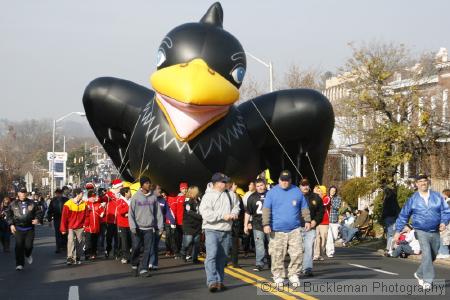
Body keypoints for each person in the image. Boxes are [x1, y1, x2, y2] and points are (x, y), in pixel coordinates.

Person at [393, 174, 450, 289]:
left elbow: (446, 210)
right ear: (417, 184)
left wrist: (444, 222)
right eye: (420, 181)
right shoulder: (413, 199)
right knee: (427, 254)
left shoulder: (437, 196)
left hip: (435, 231)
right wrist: (398, 231)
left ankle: (419, 273)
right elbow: (404, 215)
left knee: (433, 255)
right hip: (421, 231)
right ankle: (428, 280)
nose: (423, 183)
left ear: (428, 182)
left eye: (425, 181)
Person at [262, 170, 311, 287]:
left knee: (297, 253)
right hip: (277, 229)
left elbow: (304, 207)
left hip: (294, 229)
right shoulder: (272, 193)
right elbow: (266, 210)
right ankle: (278, 276)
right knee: (277, 254)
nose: (284, 182)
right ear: (279, 180)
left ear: (290, 180)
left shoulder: (297, 192)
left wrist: (307, 220)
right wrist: (266, 224)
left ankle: (294, 274)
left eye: (287, 180)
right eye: (282, 180)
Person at [199, 172, 240, 292]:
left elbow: (237, 206)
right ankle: (212, 281)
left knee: (222, 258)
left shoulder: (231, 194)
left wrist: (234, 213)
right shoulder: (208, 196)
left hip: (226, 230)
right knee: (211, 255)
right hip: (211, 229)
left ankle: (220, 281)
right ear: (216, 183)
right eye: (223, 182)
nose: (226, 183)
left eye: (226, 181)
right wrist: (223, 216)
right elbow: (205, 214)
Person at [128, 176, 164, 277]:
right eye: (147, 183)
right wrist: (133, 226)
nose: (149, 185)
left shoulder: (153, 197)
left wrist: (160, 226)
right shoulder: (136, 197)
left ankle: (143, 268)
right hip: (138, 228)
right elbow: (131, 213)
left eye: (149, 183)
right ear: (142, 185)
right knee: (136, 247)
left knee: (147, 249)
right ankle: (135, 265)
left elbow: (158, 213)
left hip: (149, 228)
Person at [6, 187, 43, 270]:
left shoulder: (32, 203)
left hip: (29, 228)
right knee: (19, 246)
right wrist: (11, 224)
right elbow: (9, 215)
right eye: (21, 192)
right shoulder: (13, 204)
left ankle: (28, 254)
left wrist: (37, 219)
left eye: (24, 192)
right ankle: (19, 264)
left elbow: (39, 212)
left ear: (26, 193)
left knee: (28, 246)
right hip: (18, 228)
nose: (23, 194)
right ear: (18, 193)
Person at [299, 179, 324, 277]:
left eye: (306, 185)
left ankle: (307, 268)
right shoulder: (296, 196)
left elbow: (321, 212)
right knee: (299, 249)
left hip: (310, 227)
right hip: (297, 227)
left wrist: (315, 221)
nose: (305, 187)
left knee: (309, 248)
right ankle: (298, 267)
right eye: (303, 185)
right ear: (300, 186)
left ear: (309, 186)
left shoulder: (316, 197)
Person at [244, 178, 269, 271]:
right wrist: (245, 225)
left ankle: (272, 262)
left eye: (261, 185)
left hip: (270, 224)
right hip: (257, 224)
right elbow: (247, 212)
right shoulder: (252, 197)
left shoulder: (270, 195)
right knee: (259, 245)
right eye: (258, 186)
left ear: (265, 185)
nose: (260, 188)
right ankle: (259, 263)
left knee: (272, 245)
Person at [60, 188, 87, 265]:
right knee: (71, 240)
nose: (82, 194)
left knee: (79, 242)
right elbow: (64, 218)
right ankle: (69, 257)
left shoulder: (84, 204)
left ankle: (77, 257)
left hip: (80, 227)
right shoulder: (68, 204)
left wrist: (85, 224)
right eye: (81, 193)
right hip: (71, 226)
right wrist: (63, 228)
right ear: (77, 194)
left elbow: (87, 215)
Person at [181, 186, 203, 264]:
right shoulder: (188, 201)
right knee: (188, 241)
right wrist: (201, 216)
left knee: (196, 243)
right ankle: (183, 253)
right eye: (197, 191)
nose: (198, 193)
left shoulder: (198, 200)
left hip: (197, 225)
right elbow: (189, 212)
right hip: (189, 225)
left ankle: (195, 258)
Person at [84, 190, 106, 260]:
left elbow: (102, 213)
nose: (94, 198)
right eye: (92, 197)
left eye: (94, 197)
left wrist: (103, 211)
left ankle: (93, 253)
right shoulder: (85, 204)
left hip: (96, 226)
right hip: (88, 227)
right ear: (89, 197)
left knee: (94, 241)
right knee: (88, 241)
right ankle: (87, 253)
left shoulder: (98, 204)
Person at [228, 182, 245, 268]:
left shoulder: (235, 195)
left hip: (233, 221)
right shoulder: (234, 196)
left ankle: (231, 261)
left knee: (232, 242)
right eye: (235, 185)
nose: (236, 186)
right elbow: (240, 208)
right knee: (233, 242)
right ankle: (234, 262)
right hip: (233, 221)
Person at [47, 188, 69, 253]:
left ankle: (64, 246)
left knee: (64, 232)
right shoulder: (53, 201)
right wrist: (49, 220)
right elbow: (50, 211)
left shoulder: (66, 200)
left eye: (59, 193)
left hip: (65, 219)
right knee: (57, 233)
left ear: (61, 194)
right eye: (57, 193)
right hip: (57, 218)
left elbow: (70, 209)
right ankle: (58, 247)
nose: (58, 195)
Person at [104, 179, 122, 259]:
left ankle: (116, 253)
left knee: (118, 237)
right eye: (121, 186)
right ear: (117, 187)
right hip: (110, 220)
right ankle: (108, 249)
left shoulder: (122, 195)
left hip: (119, 220)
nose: (122, 187)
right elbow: (103, 199)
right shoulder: (108, 195)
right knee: (109, 237)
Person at [381, 187, 400, 257]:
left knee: (390, 233)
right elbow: (397, 208)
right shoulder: (393, 198)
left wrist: (383, 217)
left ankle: (388, 248)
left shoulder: (388, 199)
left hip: (388, 217)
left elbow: (385, 209)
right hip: (392, 216)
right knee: (392, 233)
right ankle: (390, 248)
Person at [313, 185, 329, 261]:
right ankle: (316, 254)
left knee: (324, 239)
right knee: (317, 238)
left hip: (325, 222)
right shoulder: (315, 198)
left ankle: (321, 253)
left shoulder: (327, 198)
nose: (318, 192)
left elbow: (324, 205)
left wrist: (318, 199)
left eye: (320, 190)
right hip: (317, 221)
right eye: (317, 190)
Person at [116, 186, 132, 264]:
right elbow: (120, 211)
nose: (131, 193)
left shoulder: (131, 200)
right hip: (123, 224)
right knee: (124, 241)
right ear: (125, 193)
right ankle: (125, 257)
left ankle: (130, 255)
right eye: (129, 192)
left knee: (130, 240)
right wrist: (128, 208)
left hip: (131, 224)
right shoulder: (120, 201)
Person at [326, 186, 341, 258]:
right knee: (330, 238)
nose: (333, 192)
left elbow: (337, 206)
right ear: (329, 191)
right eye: (331, 190)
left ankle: (327, 247)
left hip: (335, 220)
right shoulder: (326, 197)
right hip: (327, 220)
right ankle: (330, 252)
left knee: (335, 237)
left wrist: (330, 201)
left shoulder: (338, 198)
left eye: (334, 191)